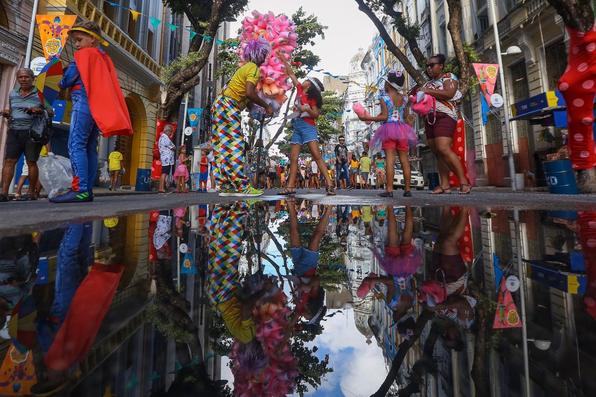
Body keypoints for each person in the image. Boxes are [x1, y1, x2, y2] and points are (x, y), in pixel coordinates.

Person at [50, 21, 132, 203]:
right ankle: (87, 189)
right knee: (90, 147)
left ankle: (80, 189)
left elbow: (68, 80)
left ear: (93, 39)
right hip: (96, 106)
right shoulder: (104, 57)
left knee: (76, 144)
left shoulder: (82, 56)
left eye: (79, 40)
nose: (77, 45)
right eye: (75, 41)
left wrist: (62, 82)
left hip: (83, 102)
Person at [211, 38, 273, 197]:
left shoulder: (246, 68)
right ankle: (241, 186)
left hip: (220, 104)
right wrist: (266, 106)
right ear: (259, 54)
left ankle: (226, 185)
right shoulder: (253, 68)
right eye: (264, 54)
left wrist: (257, 113)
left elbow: (247, 100)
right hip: (228, 106)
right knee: (236, 145)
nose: (265, 58)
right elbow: (250, 93)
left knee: (223, 146)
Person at [276, 51, 335, 196]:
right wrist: (283, 58)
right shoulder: (300, 89)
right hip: (297, 126)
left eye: (307, 80)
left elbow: (316, 115)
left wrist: (307, 108)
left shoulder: (312, 99)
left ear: (310, 85)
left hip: (308, 127)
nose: (304, 80)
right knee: (293, 158)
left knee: (316, 156)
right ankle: (290, 187)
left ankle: (330, 184)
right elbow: (291, 73)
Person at [356, 71, 417, 197]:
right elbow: (405, 117)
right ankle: (407, 190)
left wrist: (368, 118)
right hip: (402, 129)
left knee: (389, 159)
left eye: (385, 82)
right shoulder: (404, 99)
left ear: (389, 85)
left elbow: (385, 116)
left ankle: (389, 190)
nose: (384, 84)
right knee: (404, 160)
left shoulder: (384, 98)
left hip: (388, 129)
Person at [420, 54, 471, 194]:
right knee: (438, 153)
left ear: (440, 66)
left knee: (443, 148)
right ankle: (445, 185)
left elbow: (449, 93)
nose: (429, 68)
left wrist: (427, 91)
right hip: (429, 119)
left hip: (446, 116)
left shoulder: (449, 77)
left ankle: (464, 182)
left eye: (432, 65)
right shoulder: (427, 84)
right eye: (427, 66)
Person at [1, 68, 47, 202]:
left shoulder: (39, 95)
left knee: (31, 162)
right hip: (14, 131)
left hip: (32, 133)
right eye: (20, 77)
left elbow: (49, 112)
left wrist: (37, 110)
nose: (23, 80)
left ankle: (32, 192)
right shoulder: (13, 94)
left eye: (26, 77)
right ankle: (4, 193)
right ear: (17, 78)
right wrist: (7, 113)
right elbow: (12, 111)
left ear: (32, 79)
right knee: (9, 161)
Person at [158, 125, 175, 193]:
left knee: (165, 173)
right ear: (167, 131)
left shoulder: (163, 137)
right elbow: (172, 147)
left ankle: (163, 187)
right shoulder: (165, 137)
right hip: (166, 158)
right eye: (170, 131)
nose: (171, 133)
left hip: (166, 158)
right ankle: (161, 188)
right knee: (164, 173)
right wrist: (174, 147)